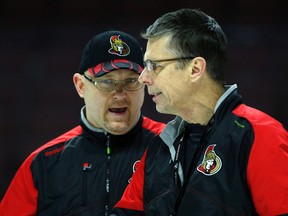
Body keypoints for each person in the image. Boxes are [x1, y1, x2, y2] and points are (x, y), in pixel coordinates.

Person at [110, 8, 288, 216]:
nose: (143, 78)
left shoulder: (260, 135)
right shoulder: (161, 147)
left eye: (154, 66)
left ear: (195, 69)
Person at [0, 30, 166, 216]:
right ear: (80, 86)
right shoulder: (43, 164)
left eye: (131, 81)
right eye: (106, 82)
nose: (119, 93)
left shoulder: (171, 146)